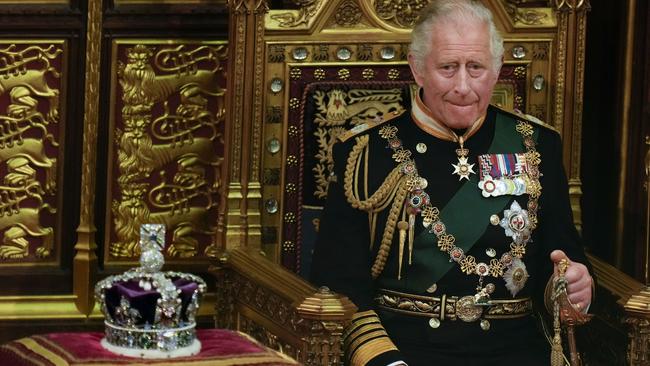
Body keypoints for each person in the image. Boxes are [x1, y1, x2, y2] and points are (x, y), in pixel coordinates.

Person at [310, 1, 593, 365]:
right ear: (417, 68)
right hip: (406, 351)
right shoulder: (366, 152)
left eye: (476, 68)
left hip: (517, 351)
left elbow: (563, 257)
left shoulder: (536, 144)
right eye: (448, 68)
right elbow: (339, 281)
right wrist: (384, 361)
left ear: (496, 69)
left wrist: (572, 288)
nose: (463, 86)